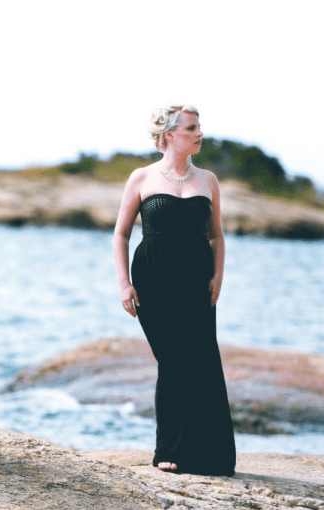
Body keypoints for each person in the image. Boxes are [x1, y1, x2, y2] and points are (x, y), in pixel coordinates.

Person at [112, 104, 235, 476]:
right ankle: (168, 449)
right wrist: (123, 283)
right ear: (170, 134)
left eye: (199, 127)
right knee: (173, 359)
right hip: (153, 278)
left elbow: (216, 235)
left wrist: (218, 277)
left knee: (201, 360)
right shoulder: (141, 177)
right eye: (192, 128)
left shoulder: (208, 180)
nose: (200, 134)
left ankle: (209, 454)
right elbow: (121, 232)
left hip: (197, 280)